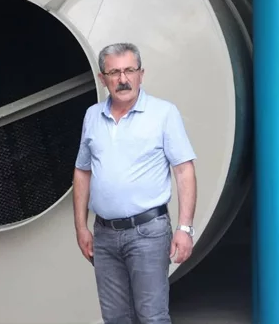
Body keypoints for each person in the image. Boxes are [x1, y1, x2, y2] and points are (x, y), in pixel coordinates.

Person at [72, 42, 198, 324]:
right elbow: (82, 172)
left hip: (148, 232)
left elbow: (184, 171)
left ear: (141, 74)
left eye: (129, 70)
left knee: (152, 316)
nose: (123, 79)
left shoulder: (163, 113)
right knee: (115, 317)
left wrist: (185, 229)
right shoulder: (92, 116)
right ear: (102, 78)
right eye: (114, 72)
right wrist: (80, 227)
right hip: (104, 234)